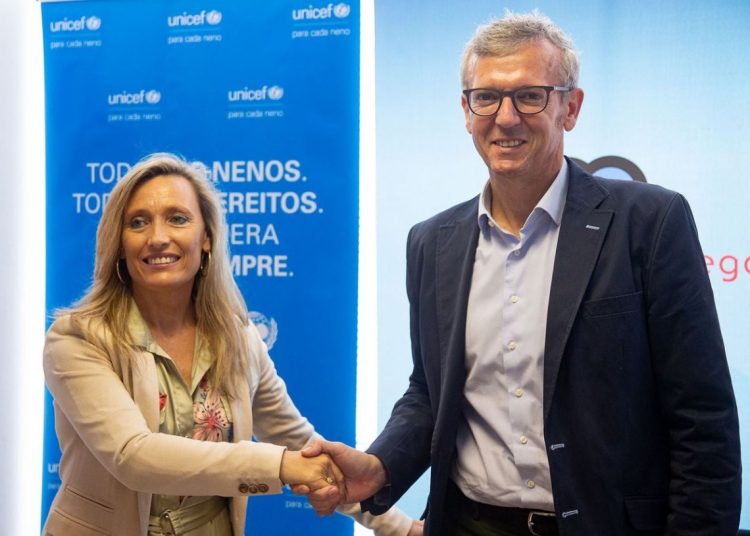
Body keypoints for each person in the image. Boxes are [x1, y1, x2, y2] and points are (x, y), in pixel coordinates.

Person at [300, 10, 742, 535]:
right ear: (466, 112)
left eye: (530, 95)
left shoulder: (650, 222)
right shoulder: (431, 242)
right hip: (468, 523)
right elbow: (430, 393)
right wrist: (380, 465)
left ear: (570, 107)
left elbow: (702, 422)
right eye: (485, 97)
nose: (505, 117)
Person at [43, 153, 421, 535]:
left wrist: (403, 529)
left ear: (206, 238)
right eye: (138, 223)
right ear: (120, 244)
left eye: (177, 218)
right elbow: (133, 456)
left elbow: (301, 443)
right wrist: (280, 466)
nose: (157, 237)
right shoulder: (78, 338)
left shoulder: (238, 340)